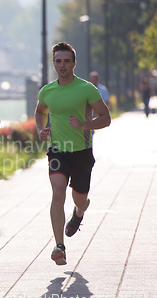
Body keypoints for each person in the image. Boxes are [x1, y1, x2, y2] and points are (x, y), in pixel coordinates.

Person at [34, 42, 111, 265]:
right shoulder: (47, 91)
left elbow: (105, 118)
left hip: (81, 152)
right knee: (58, 193)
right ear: (53, 63)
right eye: (58, 61)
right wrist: (41, 129)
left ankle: (79, 212)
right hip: (58, 150)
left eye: (67, 61)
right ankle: (59, 246)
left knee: (81, 198)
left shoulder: (87, 89)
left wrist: (84, 125)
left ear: (74, 63)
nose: (62, 65)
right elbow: (40, 111)